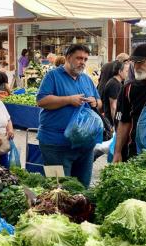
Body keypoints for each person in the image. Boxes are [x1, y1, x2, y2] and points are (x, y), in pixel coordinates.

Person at [36, 44, 101, 188]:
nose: (82, 62)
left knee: (82, 188)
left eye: (85, 59)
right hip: (55, 145)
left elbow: (99, 102)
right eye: (79, 58)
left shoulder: (86, 79)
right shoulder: (52, 76)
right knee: (58, 189)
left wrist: (95, 102)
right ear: (68, 57)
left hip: (84, 145)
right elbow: (41, 101)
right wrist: (69, 100)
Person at [103, 60, 129, 126]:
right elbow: (114, 107)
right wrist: (116, 125)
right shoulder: (114, 84)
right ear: (120, 71)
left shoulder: (117, 83)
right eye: (126, 71)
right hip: (111, 121)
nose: (128, 74)